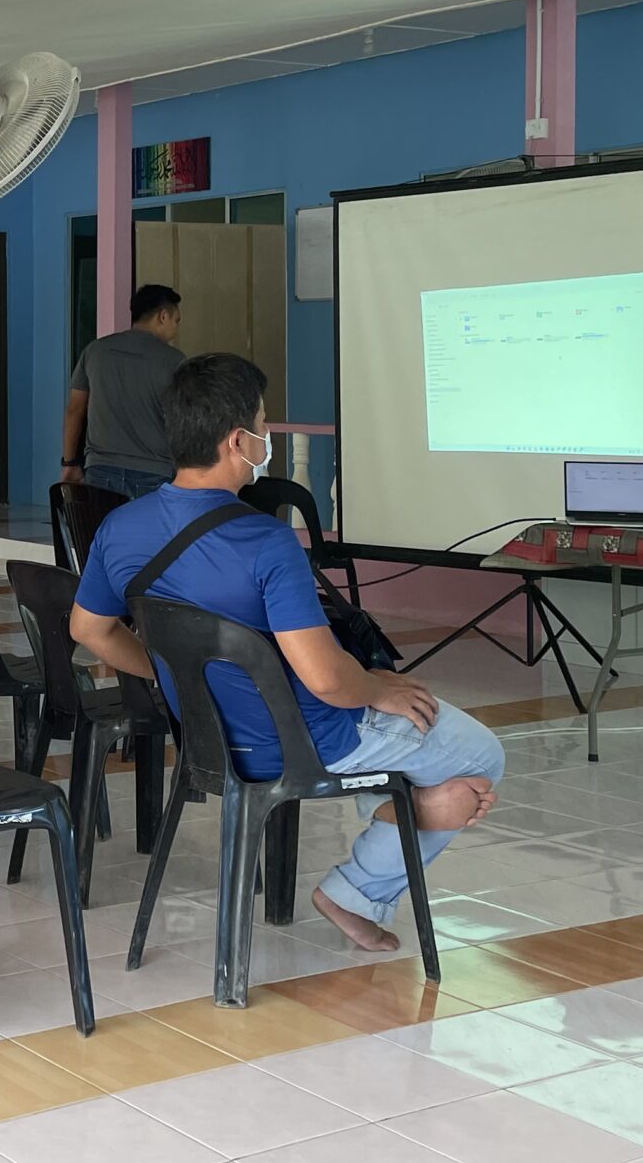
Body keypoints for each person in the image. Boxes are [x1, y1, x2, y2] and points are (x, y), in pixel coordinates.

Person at [70, 353, 503, 955]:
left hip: (210, 740)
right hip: (306, 739)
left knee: (442, 786)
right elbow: (326, 680)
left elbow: (89, 630)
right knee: (482, 757)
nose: (267, 437)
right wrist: (381, 688)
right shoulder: (266, 540)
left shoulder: (120, 528)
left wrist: (181, 677)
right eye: (263, 425)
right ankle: (357, 886)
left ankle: (411, 803)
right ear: (236, 441)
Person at [61, 283, 185, 500]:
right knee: (149, 534)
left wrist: (70, 462)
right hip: (154, 472)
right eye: (176, 321)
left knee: (106, 532)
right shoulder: (174, 360)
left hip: (100, 470)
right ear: (163, 316)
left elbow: (75, 410)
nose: (176, 329)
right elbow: (183, 418)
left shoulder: (95, 351)